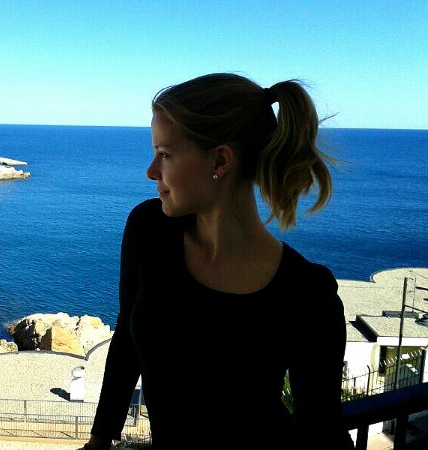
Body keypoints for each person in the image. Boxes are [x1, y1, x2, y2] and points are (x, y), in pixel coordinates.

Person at [81, 73, 354, 449]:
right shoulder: (149, 229)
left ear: (221, 161)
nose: (151, 171)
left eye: (165, 154)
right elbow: (127, 337)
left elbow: (322, 432)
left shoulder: (308, 293)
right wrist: (98, 443)